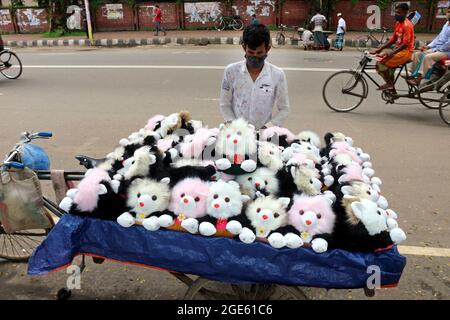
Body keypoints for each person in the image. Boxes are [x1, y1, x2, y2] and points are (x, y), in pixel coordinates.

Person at [219, 24, 290, 130]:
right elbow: (225, 104)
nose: (255, 57)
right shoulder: (231, 72)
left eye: (259, 53)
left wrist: (268, 128)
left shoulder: (277, 74)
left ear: (268, 49)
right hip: (237, 134)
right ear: (244, 48)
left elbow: (284, 109)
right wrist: (235, 126)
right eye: (251, 53)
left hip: (264, 136)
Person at [370, 2, 414, 91]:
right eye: (396, 12)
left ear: (405, 13)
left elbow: (405, 44)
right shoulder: (398, 23)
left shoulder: (407, 26)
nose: (396, 15)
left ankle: (390, 84)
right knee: (380, 58)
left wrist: (392, 53)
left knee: (381, 63)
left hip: (406, 52)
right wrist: (379, 49)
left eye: (399, 13)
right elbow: (393, 39)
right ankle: (392, 90)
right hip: (397, 50)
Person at [406, 7, 450, 86]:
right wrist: (428, 47)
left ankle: (418, 80)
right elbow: (438, 38)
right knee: (418, 54)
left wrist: (436, 49)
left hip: (446, 51)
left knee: (428, 57)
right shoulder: (446, 24)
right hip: (437, 49)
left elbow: (448, 44)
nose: (448, 14)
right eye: (448, 12)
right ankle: (412, 75)